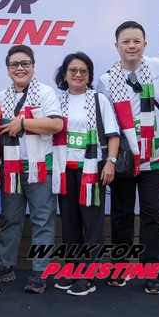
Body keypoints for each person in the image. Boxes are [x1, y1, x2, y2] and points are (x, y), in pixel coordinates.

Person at [97, 21, 159, 294]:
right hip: (124, 158)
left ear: (145, 44)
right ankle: (120, 266)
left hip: (155, 156)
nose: (131, 46)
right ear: (116, 45)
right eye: (126, 41)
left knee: (152, 214)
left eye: (136, 41)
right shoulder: (107, 80)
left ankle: (151, 271)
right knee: (122, 213)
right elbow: (105, 122)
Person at [0, 44, 63, 294]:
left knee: (43, 221)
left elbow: (56, 125)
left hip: (40, 167)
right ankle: (6, 266)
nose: (20, 68)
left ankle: (39, 272)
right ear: (7, 70)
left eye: (25, 64)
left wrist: (21, 123)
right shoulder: (0, 97)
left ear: (33, 67)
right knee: (10, 219)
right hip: (9, 169)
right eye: (14, 65)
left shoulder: (45, 92)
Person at [55, 52, 119, 296]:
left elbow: (113, 135)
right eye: (73, 70)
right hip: (65, 170)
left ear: (89, 75)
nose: (78, 74)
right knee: (70, 222)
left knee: (92, 224)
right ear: (64, 74)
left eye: (83, 71)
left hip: (91, 171)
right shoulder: (57, 101)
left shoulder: (98, 99)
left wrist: (110, 162)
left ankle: (89, 274)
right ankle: (73, 269)